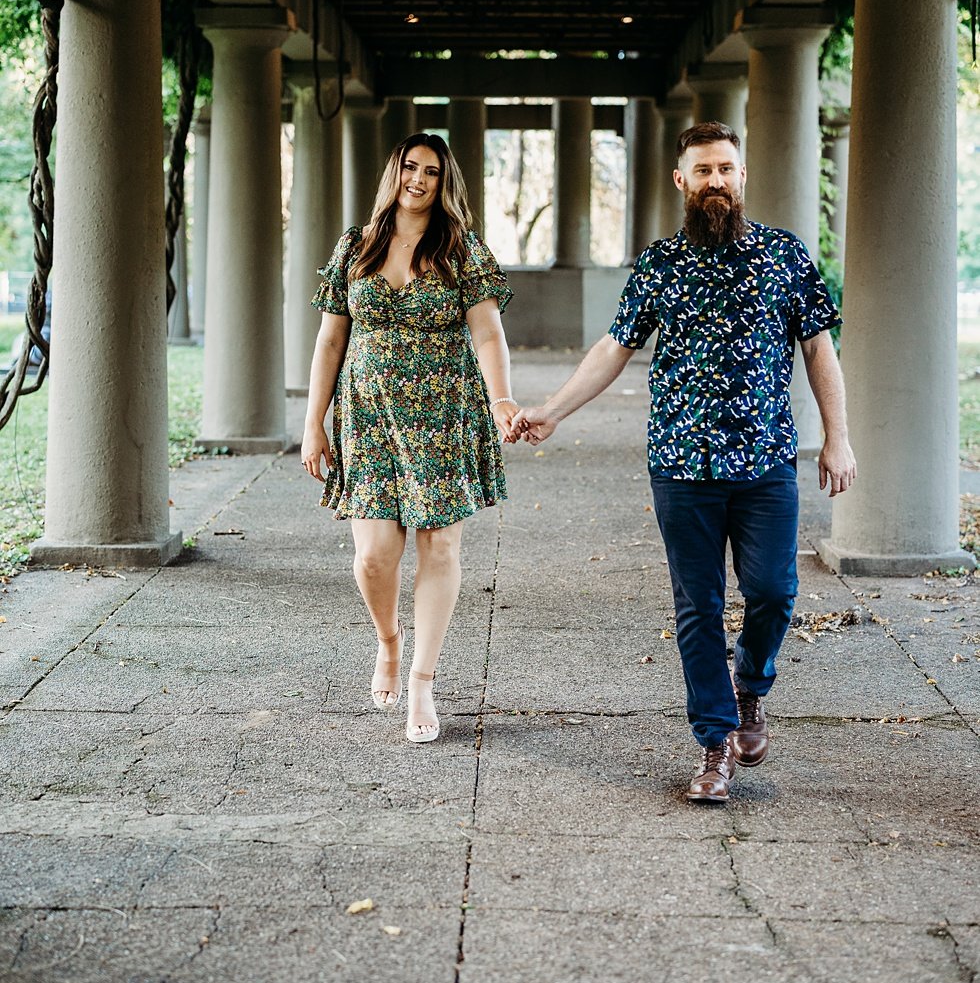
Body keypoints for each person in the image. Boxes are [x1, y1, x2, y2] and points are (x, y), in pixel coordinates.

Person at [514, 121, 856, 803]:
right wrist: (555, 407)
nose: (715, 182)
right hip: (681, 464)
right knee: (698, 608)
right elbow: (615, 347)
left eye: (725, 168)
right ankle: (715, 743)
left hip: (764, 462)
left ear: (743, 173)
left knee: (774, 593)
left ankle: (751, 688)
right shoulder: (660, 263)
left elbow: (819, 350)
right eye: (702, 171)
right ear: (682, 181)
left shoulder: (786, 256)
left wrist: (837, 437)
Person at [301, 132, 519, 744]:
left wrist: (501, 399)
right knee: (373, 555)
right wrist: (313, 423)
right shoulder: (357, 246)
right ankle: (389, 641)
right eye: (409, 167)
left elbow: (488, 336)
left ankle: (422, 680)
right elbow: (330, 341)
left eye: (430, 171)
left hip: (443, 416)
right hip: (367, 417)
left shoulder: (462, 251)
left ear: (444, 181)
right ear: (393, 172)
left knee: (440, 548)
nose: (417, 179)